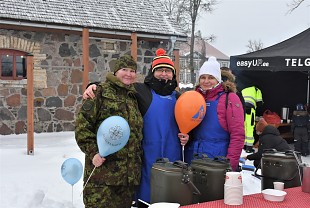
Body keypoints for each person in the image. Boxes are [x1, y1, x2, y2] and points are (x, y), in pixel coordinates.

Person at [82, 48, 189, 207]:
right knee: (146, 198)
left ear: (173, 74)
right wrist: (94, 86)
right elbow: (117, 86)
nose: (164, 74)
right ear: (153, 73)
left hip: (172, 155)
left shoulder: (180, 97)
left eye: (168, 71)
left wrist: (187, 136)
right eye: (160, 70)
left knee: (169, 198)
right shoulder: (140, 90)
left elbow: (188, 121)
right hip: (146, 157)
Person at [75, 55, 144, 208]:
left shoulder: (134, 97)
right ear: (115, 72)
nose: (128, 74)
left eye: (132, 70)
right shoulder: (99, 92)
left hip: (126, 179)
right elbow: (82, 127)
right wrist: (93, 153)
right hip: (102, 177)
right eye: (124, 69)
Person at [184, 56, 245, 171]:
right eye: (203, 77)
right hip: (194, 158)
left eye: (211, 77)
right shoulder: (193, 97)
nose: (206, 81)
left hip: (218, 161)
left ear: (218, 79)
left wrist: (230, 166)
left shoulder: (230, 98)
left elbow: (238, 135)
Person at [241, 86, 263, 153]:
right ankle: (249, 148)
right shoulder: (257, 90)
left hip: (241, 109)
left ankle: (243, 146)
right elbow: (259, 103)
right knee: (250, 128)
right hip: (250, 109)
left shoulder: (243, 89)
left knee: (243, 127)